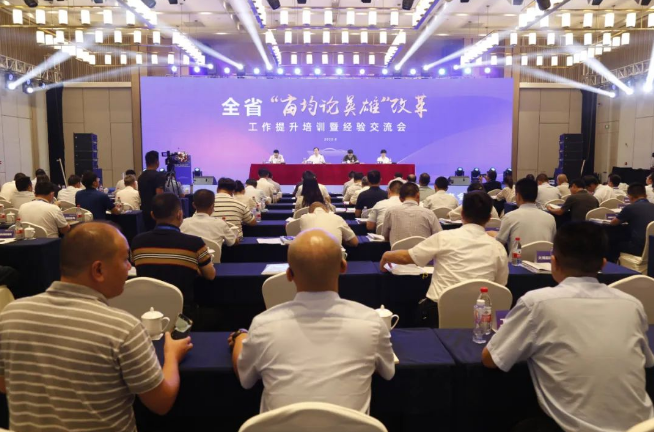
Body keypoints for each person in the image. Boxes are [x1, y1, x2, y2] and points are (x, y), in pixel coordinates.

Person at [0, 222, 192, 430]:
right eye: (125, 259)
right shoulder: (123, 328)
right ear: (98, 269)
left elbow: (5, 383)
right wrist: (172, 356)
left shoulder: (10, 315)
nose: (129, 267)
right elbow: (161, 402)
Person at [482, 222, 654, 432]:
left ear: (554, 262)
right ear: (603, 264)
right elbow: (647, 361)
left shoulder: (537, 303)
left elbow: (491, 360)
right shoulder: (632, 304)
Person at [229, 229, 393, 413]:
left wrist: (240, 337)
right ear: (343, 267)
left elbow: (245, 378)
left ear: (289, 275)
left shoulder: (263, 325)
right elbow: (387, 372)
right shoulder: (371, 322)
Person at [380, 191, 508, 327]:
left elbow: (408, 257)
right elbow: (500, 286)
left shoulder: (444, 237)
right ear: (489, 218)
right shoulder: (498, 248)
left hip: (438, 313)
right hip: (480, 318)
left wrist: (387, 255)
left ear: (462, 213)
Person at [132, 193, 215, 318]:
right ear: (179, 214)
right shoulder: (195, 243)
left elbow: (137, 266)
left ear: (152, 215)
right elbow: (210, 275)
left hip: (148, 313)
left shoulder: (137, 242)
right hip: (183, 314)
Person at [495, 178, 557, 254]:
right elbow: (552, 244)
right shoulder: (550, 218)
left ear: (518, 196)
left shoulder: (509, 217)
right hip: (544, 260)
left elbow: (498, 244)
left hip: (517, 260)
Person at [610, 183, 654, 257]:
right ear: (645, 195)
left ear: (630, 197)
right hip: (652, 246)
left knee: (613, 243)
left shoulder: (630, 208)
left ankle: (613, 263)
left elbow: (613, 223)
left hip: (639, 248)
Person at [138, 150, 167, 230]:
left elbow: (140, 194)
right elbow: (159, 196)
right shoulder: (158, 176)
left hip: (144, 211)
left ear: (146, 162)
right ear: (157, 162)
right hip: (156, 212)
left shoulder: (141, 177)